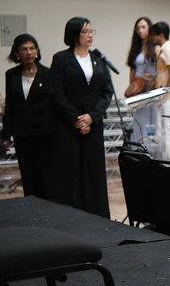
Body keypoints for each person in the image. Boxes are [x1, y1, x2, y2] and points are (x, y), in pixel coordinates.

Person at [47, 17, 115, 217]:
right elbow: (56, 93)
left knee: (93, 173)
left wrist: (92, 117)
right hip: (69, 125)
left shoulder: (98, 59)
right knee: (70, 173)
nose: (90, 35)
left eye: (92, 31)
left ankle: (97, 215)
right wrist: (77, 119)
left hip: (92, 125)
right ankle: (71, 216)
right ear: (75, 34)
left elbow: (107, 92)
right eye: (86, 31)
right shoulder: (61, 59)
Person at [2, 34, 51, 197]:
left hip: (44, 133)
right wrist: (6, 135)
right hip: (22, 133)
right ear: (17, 53)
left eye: (32, 48)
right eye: (24, 49)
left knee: (45, 175)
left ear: (37, 51)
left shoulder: (48, 74)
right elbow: (10, 106)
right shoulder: (11, 75)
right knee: (28, 175)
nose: (29, 52)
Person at [149, 21, 170, 162]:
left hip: (168, 98)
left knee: (169, 132)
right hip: (164, 97)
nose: (151, 38)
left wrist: (164, 93)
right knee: (163, 131)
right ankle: (164, 163)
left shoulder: (168, 49)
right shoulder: (163, 50)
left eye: (153, 35)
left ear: (161, 35)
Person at [124, 16, 158, 145]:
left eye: (143, 27)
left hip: (151, 89)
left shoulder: (155, 48)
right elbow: (132, 70)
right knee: (138, 121)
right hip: (138, 88)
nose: (140, 30)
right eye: (138, 28)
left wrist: (153, 80)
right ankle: (138, 148)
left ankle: (151, 150)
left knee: (151, 121)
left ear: (149, 28)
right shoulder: (136, 48)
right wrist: (131, 88)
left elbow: (159, 69)